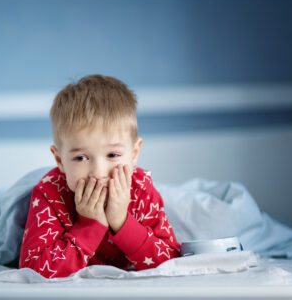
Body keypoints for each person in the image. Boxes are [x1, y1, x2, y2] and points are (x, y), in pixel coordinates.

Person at [19, 74, 180, 278]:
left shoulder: (141, 190)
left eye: (113, 155)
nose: (98, 172)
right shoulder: (49, 194)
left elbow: (171, 262)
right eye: (81, 158)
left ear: (134, 154)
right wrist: (90, 225)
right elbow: (33, 271)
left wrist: (122, 221)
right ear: (60, 160)